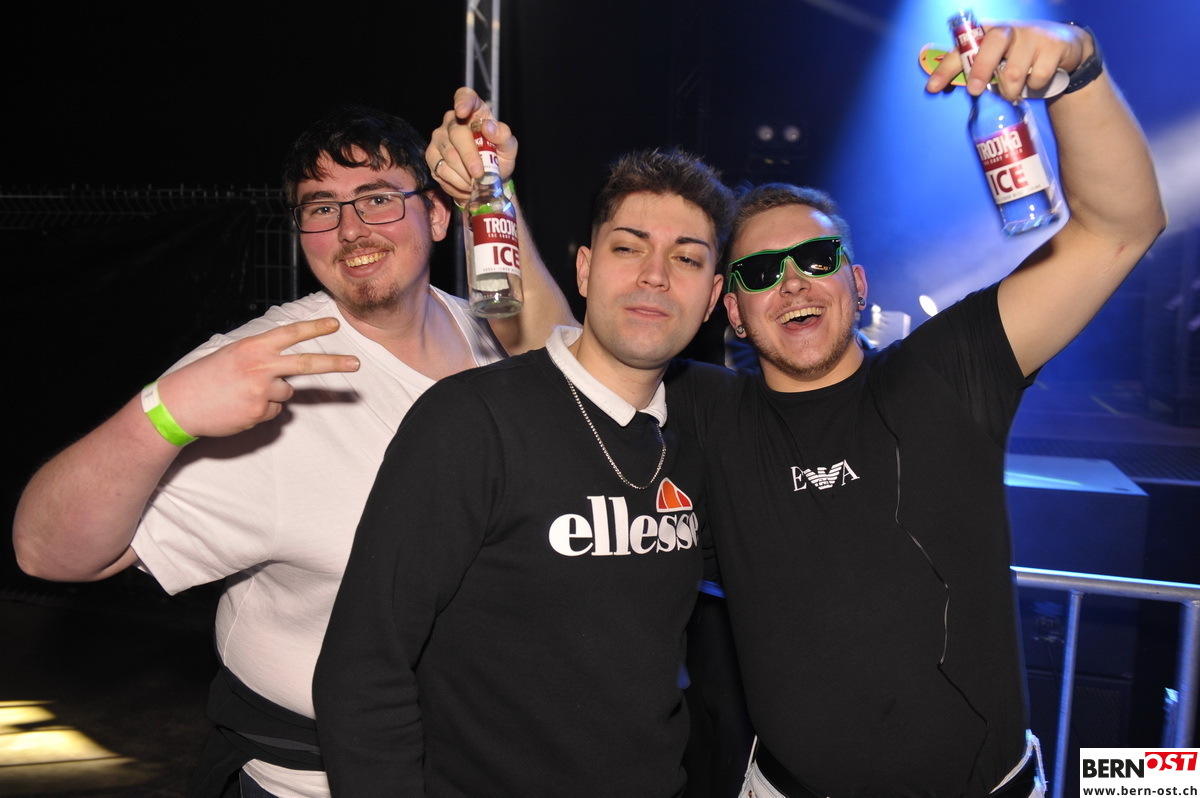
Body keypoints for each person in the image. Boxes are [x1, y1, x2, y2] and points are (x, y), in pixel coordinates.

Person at [12, 94, 573, 798]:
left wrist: (490, 189)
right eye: (320, 207)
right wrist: (163, 413)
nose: (350, 228)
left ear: (436, 216)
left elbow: (570, 375)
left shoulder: (491, 333)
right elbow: (47, 550)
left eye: (377, 198)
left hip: (495, 757)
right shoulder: (265, 372)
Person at [670, 19, 1166, 798]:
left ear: (857, 283)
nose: (793, 282)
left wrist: (1076, 66)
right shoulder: (708, 412)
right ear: (731, 311)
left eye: (817, 258)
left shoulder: (945, 371)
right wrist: (488, 199)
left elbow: (1120, 228)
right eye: (760, 272)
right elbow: (565, 353)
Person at [312, 148, 735, 796]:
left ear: (712, 298)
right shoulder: (470, 420)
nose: (654, 275)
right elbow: (362, 667)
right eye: (628, 248)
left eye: (686, 259)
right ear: (585, 270)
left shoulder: (706, 422)